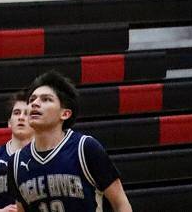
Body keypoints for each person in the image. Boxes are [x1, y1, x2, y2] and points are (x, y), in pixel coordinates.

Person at [8, 71, 132, 212]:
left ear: (65, 113)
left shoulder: (85, 148)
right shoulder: (16, 162)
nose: (35, 104)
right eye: (32, 100)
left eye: (46, 99)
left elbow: (121, 204)